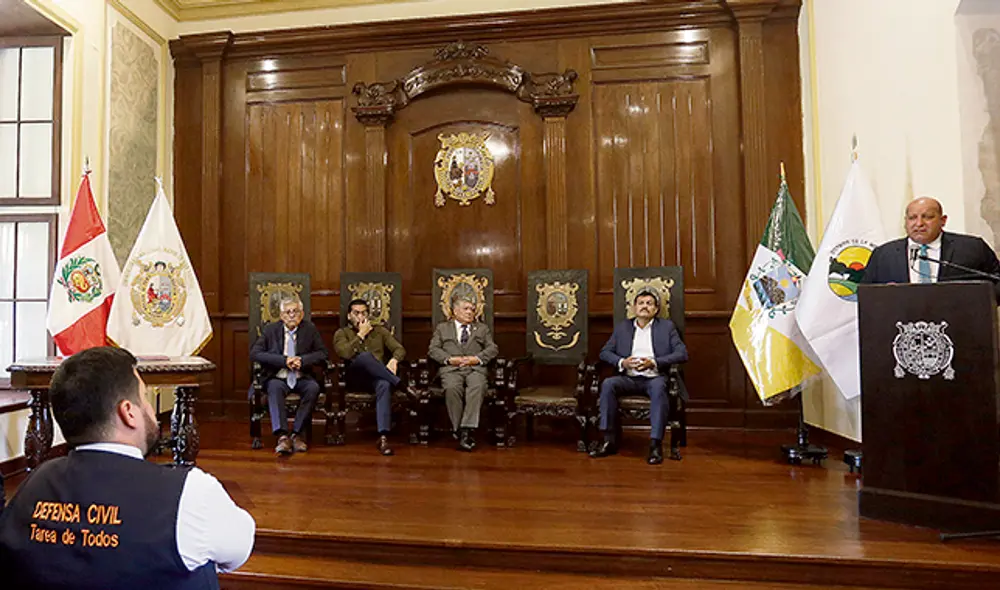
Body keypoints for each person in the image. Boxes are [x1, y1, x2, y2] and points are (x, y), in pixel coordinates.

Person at [0, 346, 255, 589]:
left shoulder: (32, 484)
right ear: (128, 413)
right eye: (144, 397)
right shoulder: (190, 493)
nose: (149, 408)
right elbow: (237, 550)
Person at [590, 289, 688, 465]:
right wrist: (623, 362)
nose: (644, 307)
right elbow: (605, 352)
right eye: (641, 303)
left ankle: (655, 444)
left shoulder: (667, 327)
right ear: (634, 308)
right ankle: (608, 440)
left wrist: (654, 362)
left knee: (659, 388)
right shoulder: (623, 327)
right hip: (628, 378)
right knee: (608, 384)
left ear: (656, 309)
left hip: (654, 377)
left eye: (649, 304)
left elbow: (682, 353)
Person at [863, 197, 1000, 301]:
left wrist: (977, 302)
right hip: (902, 325)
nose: (919, 223)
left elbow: (997, 281)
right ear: (905, 222)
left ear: (943, 220)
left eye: (927, 217)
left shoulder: (972, 248)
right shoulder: (883, 255)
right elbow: (865, 294)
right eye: (912, 218)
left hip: (960, 323)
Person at [333, 298, 416, 456]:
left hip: (378, 376)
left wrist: (394, 360)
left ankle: (383, 437)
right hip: (356, 378)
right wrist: (361, 335)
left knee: (384, 384)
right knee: (365, 357)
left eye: (364, 313)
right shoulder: (342, 333)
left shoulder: (380, 331)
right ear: (349, 316)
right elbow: (345, 353)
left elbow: (399, 349)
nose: (360, 316)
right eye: (356, 313)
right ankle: (402, 386)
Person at [250, 295, 328, 455]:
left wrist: (303, 360)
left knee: (313, 388)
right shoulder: (271, 330)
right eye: (288, 312)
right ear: (281, 316)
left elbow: (322, 353)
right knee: (274, 388)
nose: (292, 315)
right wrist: (283, 361)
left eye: (295, 311)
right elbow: (255, 353)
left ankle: (297, 434)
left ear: (302, 314)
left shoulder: (309, 329)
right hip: (278, 376)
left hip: (301, 376)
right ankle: (283, 436)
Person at [427, 296, 499, 451]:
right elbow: (433, 349)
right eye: (466, 309)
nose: (470, 312)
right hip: (451, 368)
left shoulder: (482, 329)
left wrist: (476, 359)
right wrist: (449, 359)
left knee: (478, 386)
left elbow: (493, 349)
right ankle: (459, 429)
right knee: (452, 388)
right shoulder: (443, 328)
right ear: (455, 311)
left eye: (472, 309)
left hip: (475, 368)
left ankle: (466, 429)